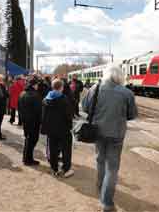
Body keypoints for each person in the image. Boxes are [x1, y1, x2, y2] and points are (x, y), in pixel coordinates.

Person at [81, 65, 137, 212]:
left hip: (97, 131)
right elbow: (132, 115)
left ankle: (101, 186)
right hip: (116, 134)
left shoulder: (95, 88)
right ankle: (107, 202)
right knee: (112, 167)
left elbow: (85, 108)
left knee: (100, 159)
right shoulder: (127, 93)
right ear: (120, 76)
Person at [42, 79, 75, 178]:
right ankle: (66, 169)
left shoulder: (45, 99)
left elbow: (43, 115)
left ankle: (54, 168)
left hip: (51, 129)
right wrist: (70, 126)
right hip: (63, 129)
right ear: (61, 87)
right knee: (66, 149)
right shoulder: (64, 99)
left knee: (53, 148)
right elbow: (68, 115)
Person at [18, 79, 44, 166]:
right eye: (37, 85)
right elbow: (39, 110)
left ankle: (26, 158)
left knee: (28, 139)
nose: (37, 86)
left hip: (25, 120)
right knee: (32, 140)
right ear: (34, 85)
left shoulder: (22, 93)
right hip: (34, 121)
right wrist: (41, 121)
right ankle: (28, 159)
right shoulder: (35, 95)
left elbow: (19, 107)